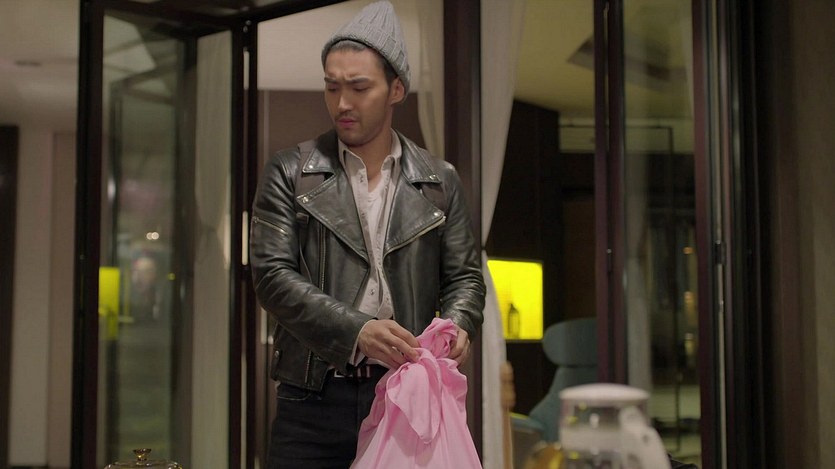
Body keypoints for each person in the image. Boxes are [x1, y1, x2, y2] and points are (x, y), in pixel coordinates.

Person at [249, 2, 486, 468]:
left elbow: (465, 277)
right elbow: (271, 276)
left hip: (407, 394)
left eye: (359, 87)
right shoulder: (290, 171)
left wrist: (460, 323)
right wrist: (356, 330)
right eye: (331, 86)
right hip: (312, 397)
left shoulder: (439, 180)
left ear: (396, 89)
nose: (342, 103)